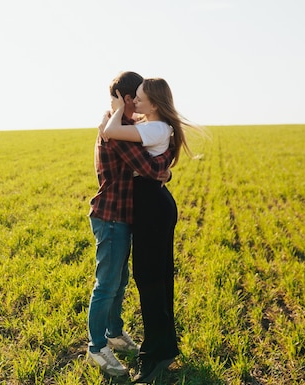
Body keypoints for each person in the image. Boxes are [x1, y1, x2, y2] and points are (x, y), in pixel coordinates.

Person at [100, 77, 194, 383]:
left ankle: (153, 356)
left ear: (154, 102)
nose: (135, 103)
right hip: (154, 206)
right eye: (134, 98)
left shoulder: (154, 127)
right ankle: (165, 347)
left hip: (152, 209)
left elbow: (111, 132)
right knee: (160, 279)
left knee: (151, 280)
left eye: (139, 99)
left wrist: (115, 108)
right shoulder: (155, 125)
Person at [86, 72, 173, 377]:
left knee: (119, 282)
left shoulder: (120, 125)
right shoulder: (115, 131)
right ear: (126, 99)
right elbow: (149, 167)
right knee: (107, 285)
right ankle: (97, 348)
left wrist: (165, 169)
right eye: (134, 97)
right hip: (111, 217)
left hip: (122, 216)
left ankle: (114, 333)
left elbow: (152, 155)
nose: (137, 101)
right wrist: (164, 169)